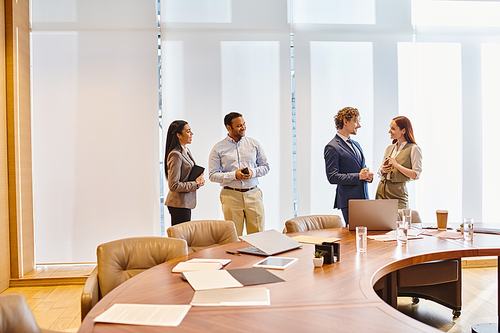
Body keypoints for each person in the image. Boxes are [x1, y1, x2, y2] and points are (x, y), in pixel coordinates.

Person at [208, 112, 270, 236]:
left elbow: (266, 167)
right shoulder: (218, 148)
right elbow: (212, 175)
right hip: (230, 196)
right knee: (234, 237)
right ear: (228, 127)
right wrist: (234, 175)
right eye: (239, 125)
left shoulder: (254, 144)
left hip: (253, 194)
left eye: (244, 124)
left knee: (258, 236)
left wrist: (253, 172)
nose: (243, 127)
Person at [324, 107, 373, 226]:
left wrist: (368, 176)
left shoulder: (356, 144)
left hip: (364, 199)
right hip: (349, 202)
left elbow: (361, 169)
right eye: (356, 121)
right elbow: (333, 177)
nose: (359, 125)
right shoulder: (332, 147)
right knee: (355, 238)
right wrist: (359, 176)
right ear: (345, 121)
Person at [376, 116, 422, 209]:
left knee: (401, 221)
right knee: (380, 222)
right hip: (381, 190)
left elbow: (415, 175)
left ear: (403, 131)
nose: (389, 131)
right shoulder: (389, 148)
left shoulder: (413, 148)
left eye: (393, 128)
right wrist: (383, 170)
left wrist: (397, 166)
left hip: (398, 192)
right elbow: (380, 171)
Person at [164, 120, 205, 225]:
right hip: (178, 204)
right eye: (188, 131)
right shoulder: (175, 154)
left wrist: (198, 180)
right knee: (180, 238)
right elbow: (173, 185)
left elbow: (186, 176)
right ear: (179, 135)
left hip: (184, 203)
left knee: (184, 236)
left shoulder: (185, 150)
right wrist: (195, 184)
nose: (192, 134)